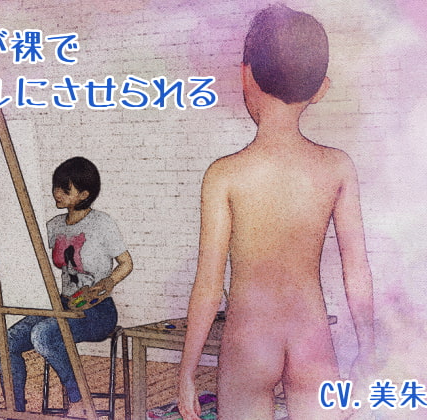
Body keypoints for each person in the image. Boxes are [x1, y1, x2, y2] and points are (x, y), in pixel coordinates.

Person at [178, 5, 375, 420]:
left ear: (244, 75)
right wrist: (367, 352)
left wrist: (187, 372)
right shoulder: (337, 167)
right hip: (311, 335)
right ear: (320, 88)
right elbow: (356, 270)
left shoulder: (224, 175)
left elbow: (209, 287)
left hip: (249, 339)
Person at [7, 156, 133, 412]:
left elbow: (126, 263)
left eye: (65, 189)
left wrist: (107, 282)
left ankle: (79, 400)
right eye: (56, 186)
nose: (57, 193)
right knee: (8, 340)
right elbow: (28, 254)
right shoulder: (54, 226)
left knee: (44, 334)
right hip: (64, 306)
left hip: (97, 311)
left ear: (84, 194)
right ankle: (14, 410)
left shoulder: (102, 223)